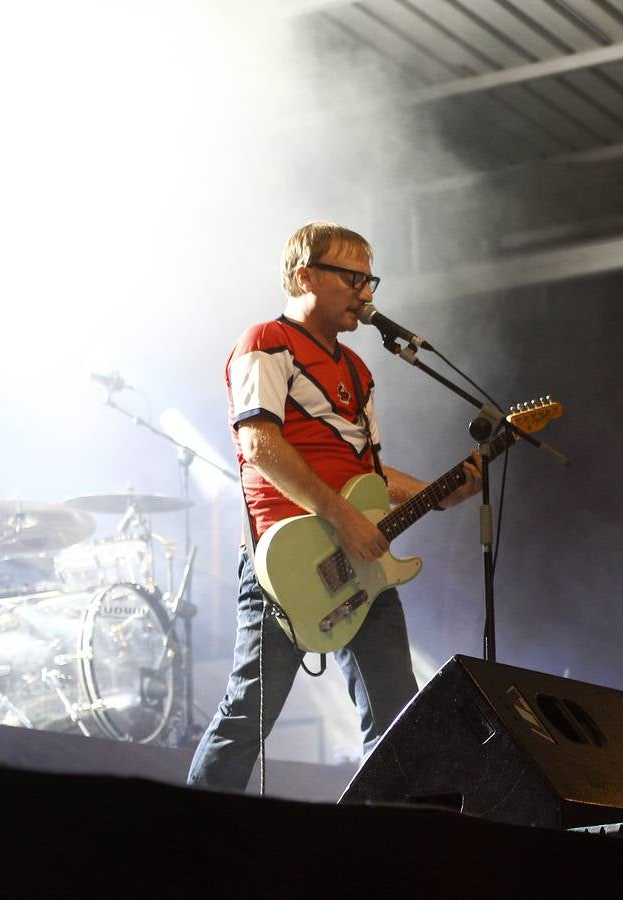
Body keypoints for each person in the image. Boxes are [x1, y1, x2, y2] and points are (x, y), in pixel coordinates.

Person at [187, 221, 482, 791]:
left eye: (371, 278)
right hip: (290, 560)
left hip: (361, 563)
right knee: (247, 720)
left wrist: (437, 495)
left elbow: (368, 474)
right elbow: (260, 446)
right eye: (353, 277)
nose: (367, 291)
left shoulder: (359, 370)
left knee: (398, 723)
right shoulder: (266, 343)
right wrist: (344, 520)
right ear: (305, 276)